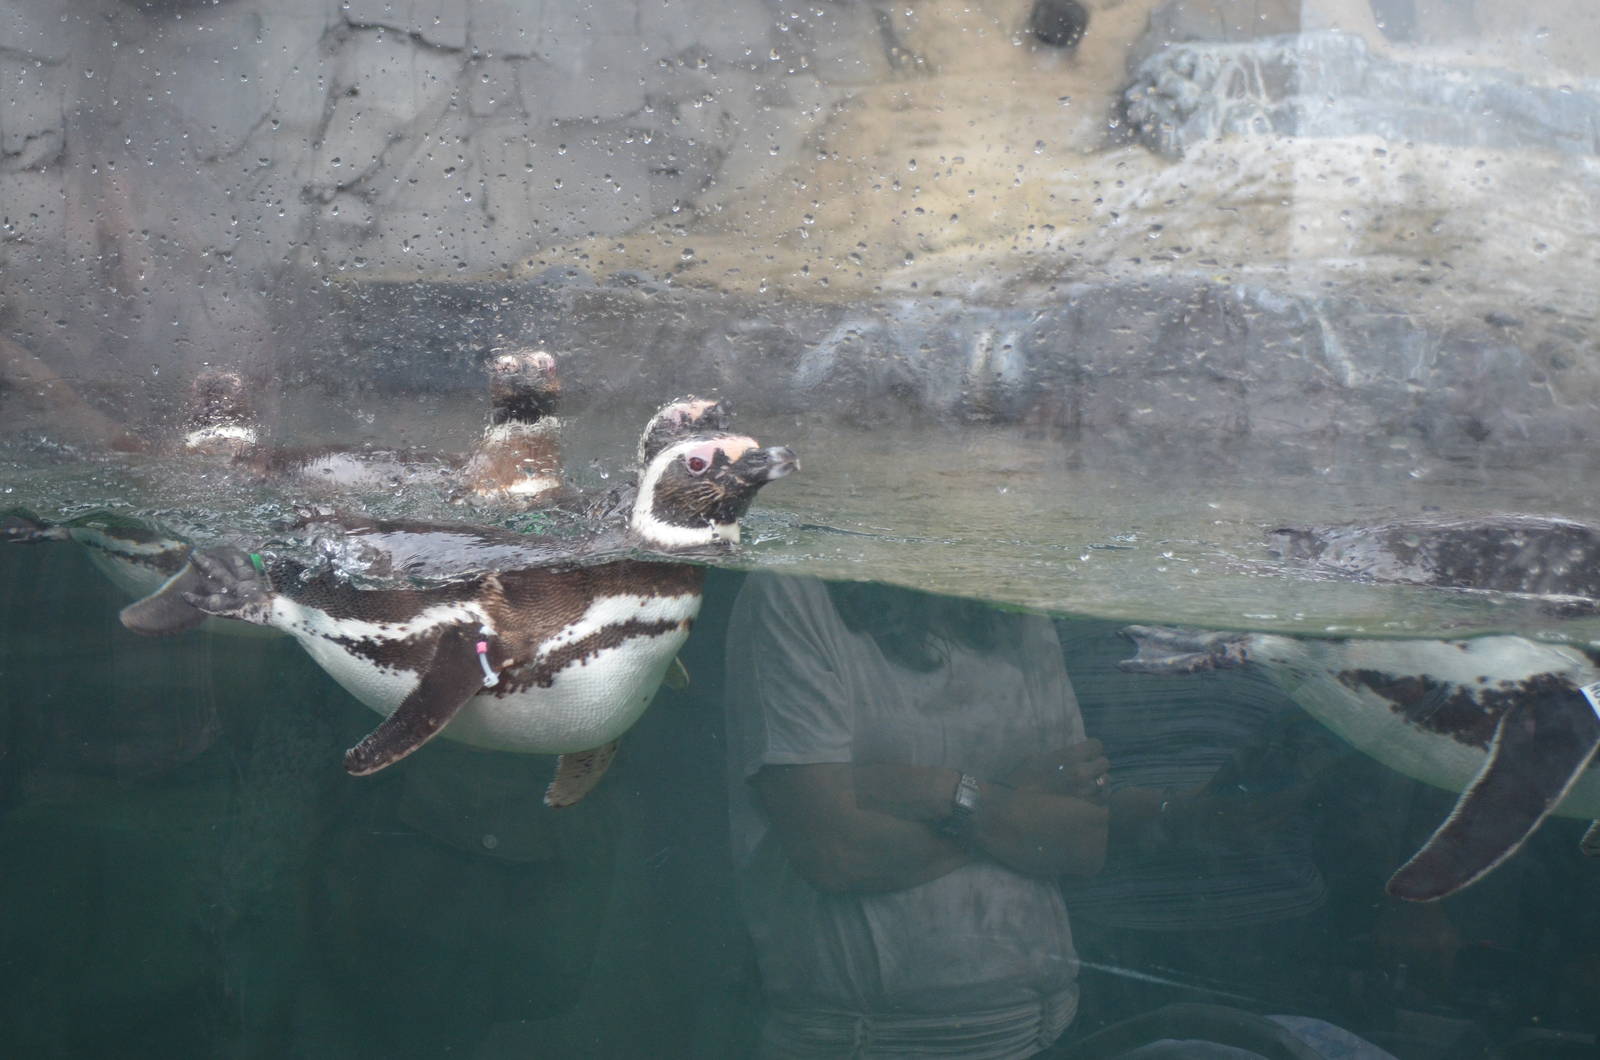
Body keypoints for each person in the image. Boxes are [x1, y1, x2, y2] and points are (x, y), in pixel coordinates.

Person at [723, 573, 1111, 1059]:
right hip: (865, 1045)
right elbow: (837, 852)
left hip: (1049, 1034)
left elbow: (1083, 841)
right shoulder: (792, 591)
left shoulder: (1018, 607)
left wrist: (942, 794)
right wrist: (1010, 805)